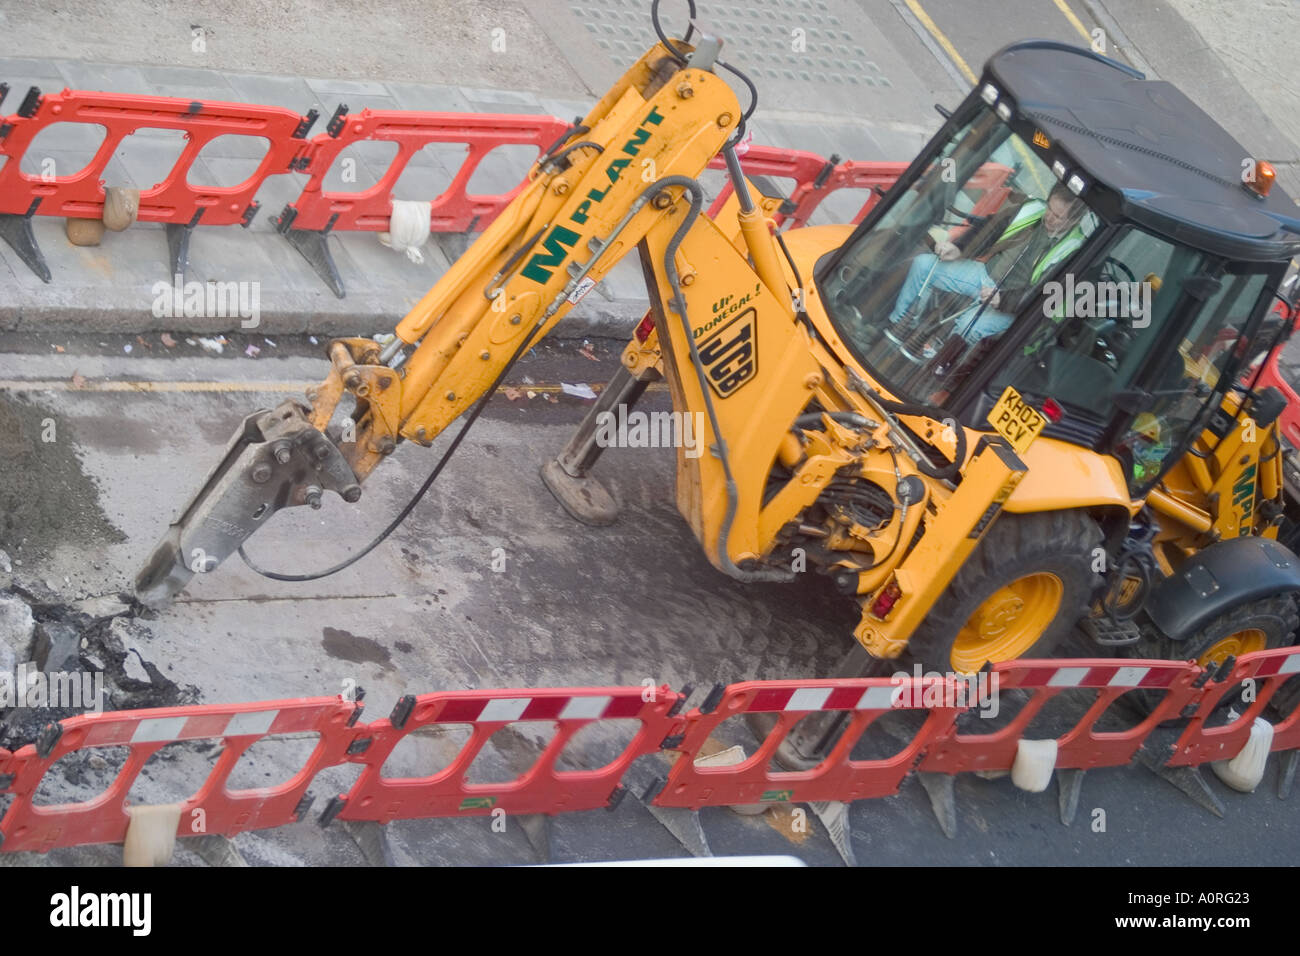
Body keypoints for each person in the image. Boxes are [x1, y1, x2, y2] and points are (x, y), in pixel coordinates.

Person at [889, 183, 1090, 344]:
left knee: (970, 326)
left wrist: (1002, 300)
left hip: (1015, 306)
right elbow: (988, 228)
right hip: (986, 277)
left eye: (1058, 217)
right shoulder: (1030, 209)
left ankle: (937, 364)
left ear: (1074, 221)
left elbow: (1042, 297)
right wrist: (958, 247)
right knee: (923, 265)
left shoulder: (1075, 251)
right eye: (1050, 209)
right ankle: (901, 322)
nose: (1049, 217)